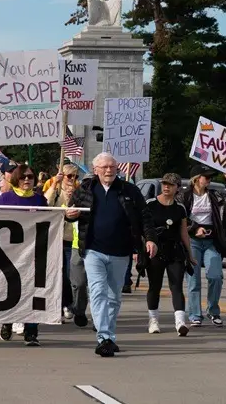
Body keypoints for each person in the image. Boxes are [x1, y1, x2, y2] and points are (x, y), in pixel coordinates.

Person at [65, 152, 148, 358]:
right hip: (93, 250)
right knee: (98, 291)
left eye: (112, 167)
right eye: (104, 167)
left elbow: (144, 215)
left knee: (114, 297)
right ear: (96, 170)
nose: (109, 170)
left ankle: (108, 334)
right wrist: (69, 215)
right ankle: (104, 338)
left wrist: (150, 239)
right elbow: (70, 212)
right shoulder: (85, 189)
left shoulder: (129, 190)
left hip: (121, 251)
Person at [180, 165, 226, 328]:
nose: (208, 180)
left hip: (212, 241)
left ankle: (213, 311)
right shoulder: (185, 197)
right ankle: (195, 315)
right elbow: (180, 218)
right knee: (193, 280)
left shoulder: (215, 196)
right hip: (192, 241)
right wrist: (195, 229)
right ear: (196, 179)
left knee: (215, 276)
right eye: (205, 177)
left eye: (210, 177)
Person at [0, 163, 46, 346]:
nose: (27, 180)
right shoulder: (5, 199)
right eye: (23, 177)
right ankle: (7, 321)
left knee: (34, 292)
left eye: (30, 177)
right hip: (9, 254)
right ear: (16, 178)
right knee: (11, 290)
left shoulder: (40, 200)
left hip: (33, 253)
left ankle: (31, 331)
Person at [145, 173, 194, 336]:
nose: (166, 187)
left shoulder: (180, 208)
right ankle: (153, 320)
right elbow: (142, 229)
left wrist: (190, 254)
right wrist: (139, 250)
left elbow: (184, 233)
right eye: (164, 184)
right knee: (155, 286)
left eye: (171, 185)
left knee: (177, 286)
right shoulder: (150, 204)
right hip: (156, 251)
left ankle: (180, 322)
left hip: (175, 251)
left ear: (177, 188)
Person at [45, 163, 80, 321]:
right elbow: (45, 203)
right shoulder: (57, 191)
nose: (72, 180)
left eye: (75, 176)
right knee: (58, 274)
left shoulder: (79, 192)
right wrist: (54, 184)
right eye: (69, 176)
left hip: (72, 240)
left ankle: (68, 303)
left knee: (70, 275)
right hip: (56, 238)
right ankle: (61, 305)